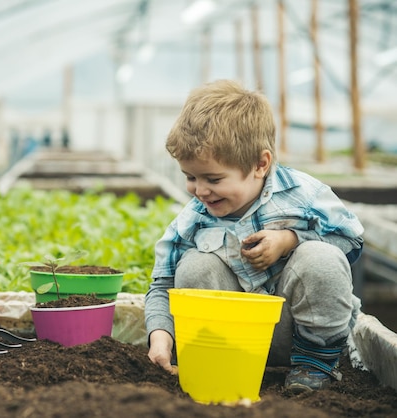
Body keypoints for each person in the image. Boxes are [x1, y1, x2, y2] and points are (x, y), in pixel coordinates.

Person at [144, 79, 364, 394]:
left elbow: (352, 241)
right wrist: (161, 337)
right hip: (230, 340)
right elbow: (162, 287)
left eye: (214, 178)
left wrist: (290, 239)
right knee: (193, 265)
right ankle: (216, 364)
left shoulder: (303, 195)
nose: (200, 190)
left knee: (322, 257)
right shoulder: (192, 220)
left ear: (260, 164)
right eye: (190, 177)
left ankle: (315, 367)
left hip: (297, 334)